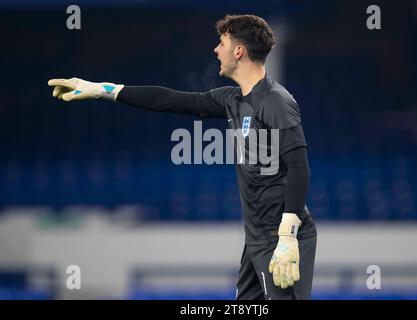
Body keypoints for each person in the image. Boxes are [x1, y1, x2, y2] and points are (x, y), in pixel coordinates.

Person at [48, 14, 317, 300]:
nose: (216, 49)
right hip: (257, 237)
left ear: (239, 51)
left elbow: (299, 167)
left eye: (222, 42)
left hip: (280, 237)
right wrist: (103, 89)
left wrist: (288, 236)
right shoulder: (233, 99)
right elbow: (171, 100)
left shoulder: (275, 100)